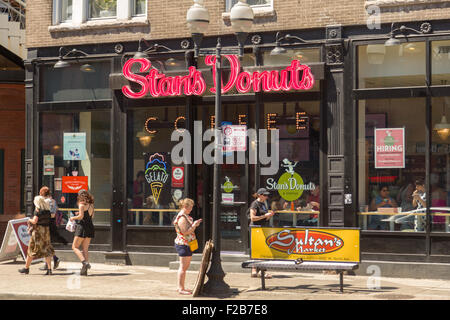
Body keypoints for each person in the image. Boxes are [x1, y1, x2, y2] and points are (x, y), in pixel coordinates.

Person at [18, 186, 55, 275]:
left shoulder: (38, 210)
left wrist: (28, 220)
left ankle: (26, 268)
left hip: (38, 231)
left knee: (31, 249)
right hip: (46, 231)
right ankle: (49, 270)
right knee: (47, 250)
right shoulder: (47, 210)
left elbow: (34, 221)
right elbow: (52, 216)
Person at [173, 198, 202, 295]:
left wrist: (194, 225)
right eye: (190, 207)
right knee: (183, 267)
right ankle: (181, 288)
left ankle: (180, 287)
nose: (191, 209)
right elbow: (185, 232)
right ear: (185, 206)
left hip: (185, 243)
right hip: (183, 244)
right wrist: (194, 225)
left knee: (184, 267)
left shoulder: (184, 216)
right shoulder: (182, 217)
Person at [249, 188, 275, 278]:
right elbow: (252, 218)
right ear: (260, 195)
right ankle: (254, 269)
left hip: (262, 228)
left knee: (262, 249)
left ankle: (261, 270)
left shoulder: (264, 204)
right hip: (256, 229)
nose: (266, 197)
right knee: (256, 249)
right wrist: (265, 215)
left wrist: (269, 215)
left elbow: (265, 218)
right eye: (265, 195)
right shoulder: (255, 204)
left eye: (267, 195)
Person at [70, 189, 95, 276]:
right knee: (85, 249)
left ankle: (84, 263)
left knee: (74, 247)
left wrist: (73, 218)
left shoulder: (81, 204)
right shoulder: (91, 205)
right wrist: (80, 214)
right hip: (90, 227)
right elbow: (92, 216)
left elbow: (81, 216)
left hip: (82, 227)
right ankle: (84, 271)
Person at [40, 193, 67, 271]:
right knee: (47, 244)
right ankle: (53, 260)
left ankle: (51, 262)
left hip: (47, 225)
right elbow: (55, 211)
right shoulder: (53, 201)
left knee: (46, 244)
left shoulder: (48, 202)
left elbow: (52, 215)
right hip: (52, 224)